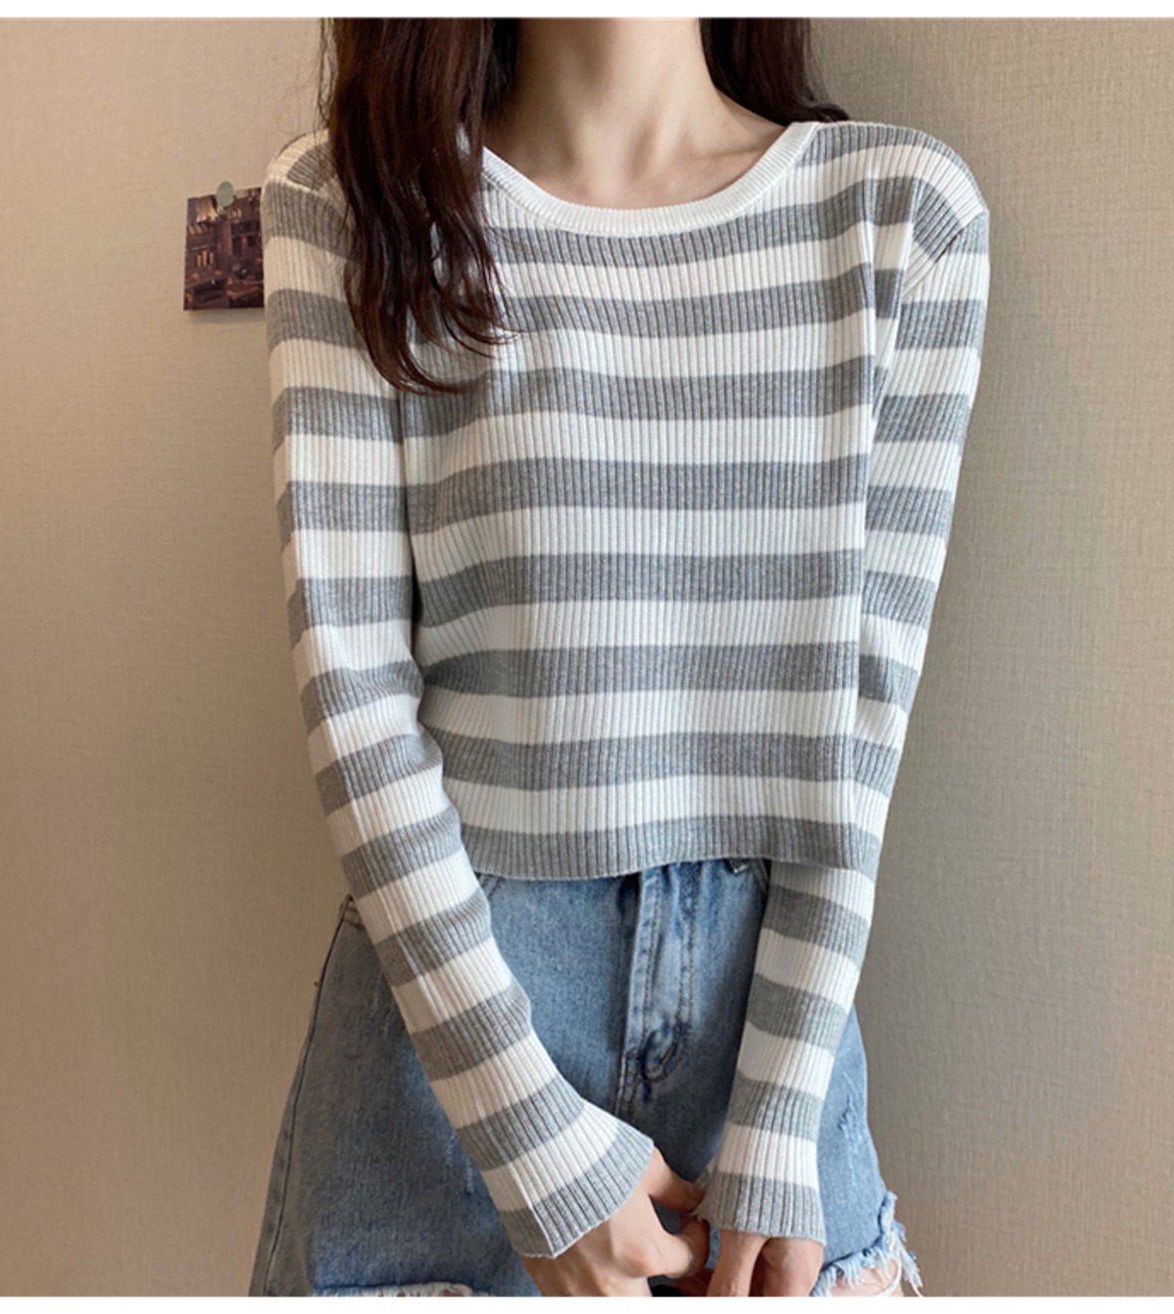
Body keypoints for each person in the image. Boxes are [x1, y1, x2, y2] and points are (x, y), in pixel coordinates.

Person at [248, 16, 989, 1299]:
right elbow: (355, 703)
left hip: (774, 1025)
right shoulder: (349, 207)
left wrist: (780, 1109)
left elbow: (857, 729)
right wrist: (525, 1140)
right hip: (454, 1031)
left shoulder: (897, 217)